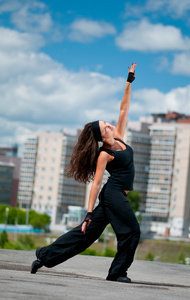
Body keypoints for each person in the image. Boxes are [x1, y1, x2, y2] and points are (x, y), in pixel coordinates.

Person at [30, 63, 140, 283]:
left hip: (116, 196)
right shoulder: (104, 154)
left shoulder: (118, 137)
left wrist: (128, 82)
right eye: (105, 126)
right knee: (131, 231)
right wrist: (89, 212)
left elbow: (124, 109)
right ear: (101, 134)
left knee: (86, 235)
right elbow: (97, 183)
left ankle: (44, 256)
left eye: (107, 123)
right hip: (113, 194)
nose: (109, 125)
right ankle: (117, 273)